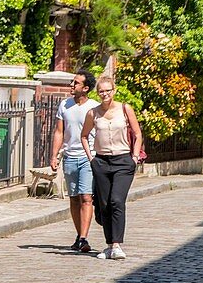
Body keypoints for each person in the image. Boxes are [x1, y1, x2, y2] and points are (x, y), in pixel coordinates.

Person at [81, 77, 143, 260]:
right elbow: (84, 136)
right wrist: (91, 158)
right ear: (97, 93)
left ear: (114, 91)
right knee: (104, 204)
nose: (105, 94)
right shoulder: (93, 113)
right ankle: (109, 245)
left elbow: (138, 133)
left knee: (116, 200)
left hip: (123, 161)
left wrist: (134, 157)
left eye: (108, 90)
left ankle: (117, 245)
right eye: (101, 91)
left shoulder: (125, 109)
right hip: (101, 162)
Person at [49, 69, 99, 253]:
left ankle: (84, 238)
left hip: (88, 156)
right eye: (72, 81)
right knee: (74, 199)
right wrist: (54, 155)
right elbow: (59, 132)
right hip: (69, 156)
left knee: (86, 197)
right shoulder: (65, 105)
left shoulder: (94, 107)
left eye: (76, 83)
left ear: (85, 88)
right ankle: (79, 235)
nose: (72, 85)